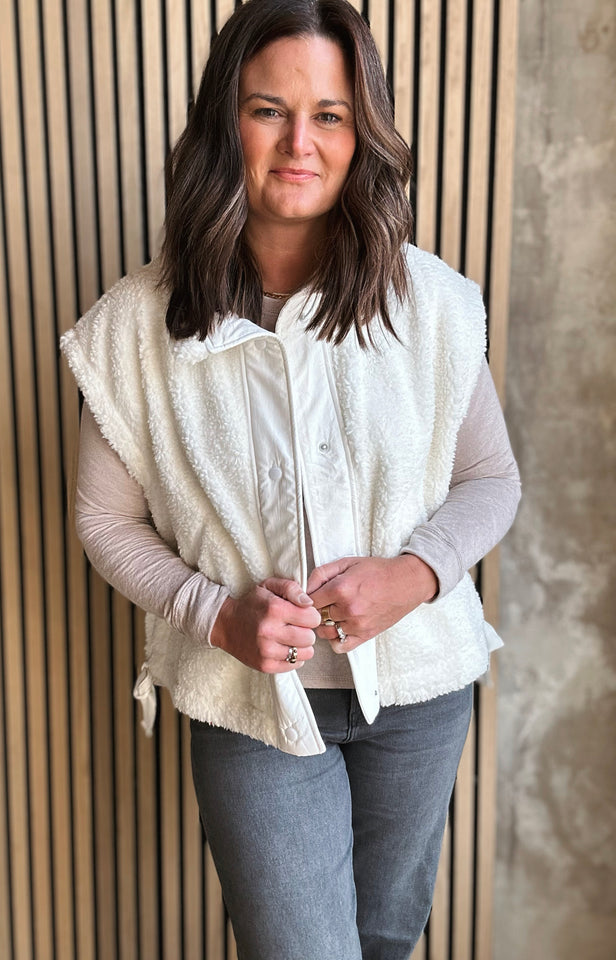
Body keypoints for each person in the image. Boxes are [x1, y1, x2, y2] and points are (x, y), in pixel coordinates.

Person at [61, 1, 520, 957]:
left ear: (361, 134)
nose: (299, 143)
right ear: (225, 122)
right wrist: (214, 614)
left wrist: (413, 575)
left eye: (330, 115)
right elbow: (104, 520)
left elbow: (491, 479)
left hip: (419, 696)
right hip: (249, 704)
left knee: (385, 941)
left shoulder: (429, 304)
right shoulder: (134, 328)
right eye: (269, 109)